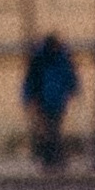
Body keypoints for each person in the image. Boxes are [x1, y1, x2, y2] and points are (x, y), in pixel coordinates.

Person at [24, 31, 81, 171]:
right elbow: (31, 80)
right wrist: (28, 98)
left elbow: (69, 76)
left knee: (52, 131)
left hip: (56, 100)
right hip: (44, 100)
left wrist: (74, 88)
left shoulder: (57, 58)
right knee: (50, 131)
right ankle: (54, 160)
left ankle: (52, 161)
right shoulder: (42, 59)